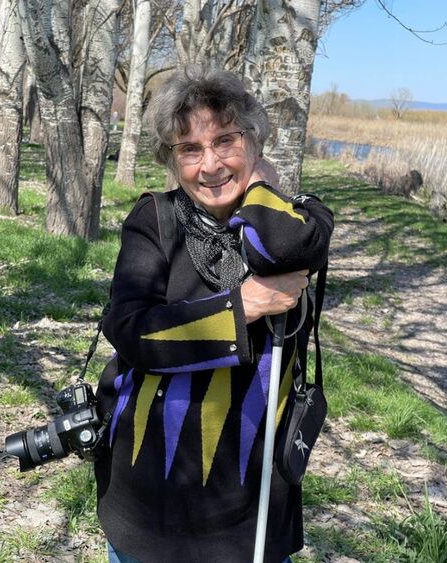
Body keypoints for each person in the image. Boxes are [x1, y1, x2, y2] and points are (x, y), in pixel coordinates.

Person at [94, 66, 333, 563]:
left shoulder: (304, 219)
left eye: (226, 140)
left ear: (255, 140)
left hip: (254, 505)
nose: (210, 165)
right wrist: (244, 308)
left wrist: (262, 184)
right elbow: (132, 332)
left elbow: (281, 244)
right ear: (171, 159)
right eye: (189, 149)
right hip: (154, 501)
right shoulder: (155, 220)